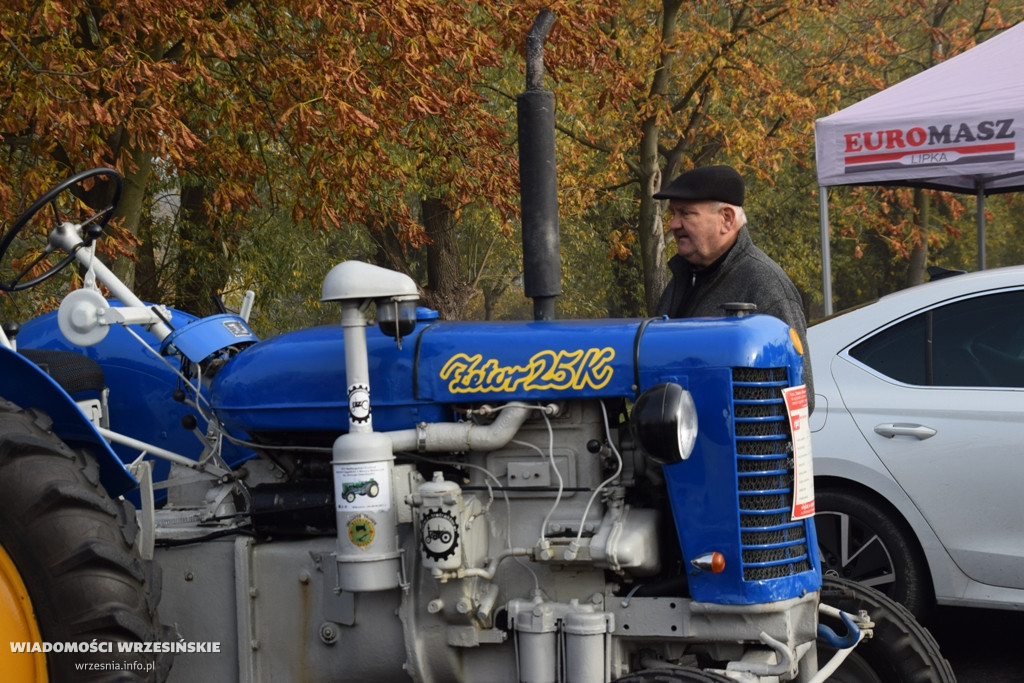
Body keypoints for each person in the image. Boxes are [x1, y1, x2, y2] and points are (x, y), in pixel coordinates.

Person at [653, 164, 813, 405]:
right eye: (672, 214)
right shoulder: (682, 279)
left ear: (726, 219)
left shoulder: (766, 285)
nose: (674, 224)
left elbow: (800, 400)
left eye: (686, 214)